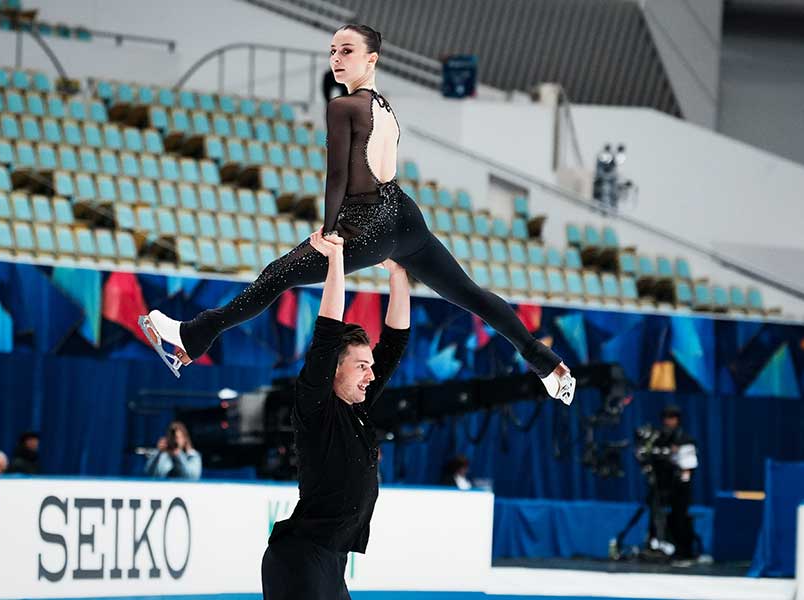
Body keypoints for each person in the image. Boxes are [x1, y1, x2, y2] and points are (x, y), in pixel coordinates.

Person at [139, 24, 575, 406]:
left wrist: (330, 233)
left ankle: (191, 337)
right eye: (332, 51)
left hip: (369, 222)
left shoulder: (343, 107)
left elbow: (338, 177)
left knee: (276, 274)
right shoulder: (383, 105)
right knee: (471, 294)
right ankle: (548, 367)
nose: (336, 59)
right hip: (404, 214)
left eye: (346, 51)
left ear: (372, 58)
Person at [261, 228, 410, 600]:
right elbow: (327, 333)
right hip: (300, 559)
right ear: (335, 370)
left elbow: (394, 343)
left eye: (369, 366)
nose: (371, 375)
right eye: (361, 366)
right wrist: (336, 259)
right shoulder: (316, 406)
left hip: (331, 562)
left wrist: (398, 274)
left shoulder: (357, 408)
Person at [651, 405, 698, 561]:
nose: (668, 421)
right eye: (666, 418)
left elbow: (689, 465)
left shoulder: (685, 439)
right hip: (661, 484)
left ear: (677, 420)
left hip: (680, 487)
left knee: (679, 517)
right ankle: (656, 546)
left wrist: (683, 480)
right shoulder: (658, 438)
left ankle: (682, 551)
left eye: (671, 418)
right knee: (656, 514)